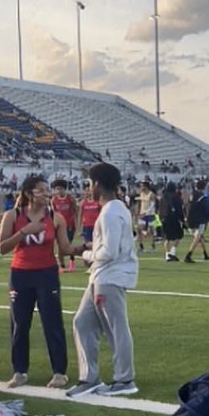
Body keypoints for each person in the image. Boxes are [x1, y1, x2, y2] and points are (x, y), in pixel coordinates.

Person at [65, 162, 139, 398]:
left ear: (97, 183)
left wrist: (86, 254)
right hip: (101, 275)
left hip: (109, 276)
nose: (89, 188)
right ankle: (89, 378)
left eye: (89, 183)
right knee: (82, 322)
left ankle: (125, 379)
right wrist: (90, 246)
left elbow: (110, 252)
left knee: (116, 328)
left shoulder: (110, 212)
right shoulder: (115, 209)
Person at [0, 174, 72, 389]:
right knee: (20, 324)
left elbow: (65, 248)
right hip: (20, 274)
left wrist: (86, 249)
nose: (47, 193)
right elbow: (2, 248)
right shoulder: (13, 215)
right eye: (41, 190)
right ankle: (20, 371)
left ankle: (59, 372)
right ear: (30, 193)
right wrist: (24, 232)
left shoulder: (55, 217)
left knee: (52, 323)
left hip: (47, 274)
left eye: (47, 189)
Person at [50, 179, 79, 271]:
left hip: (70, 225)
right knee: (59, 246)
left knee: (68, 245)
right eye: (57, 189)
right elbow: (53, 213)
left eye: (61, 189)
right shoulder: (53, 200)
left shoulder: (70, 198)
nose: (59, 191)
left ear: (64, 189)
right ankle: (61, 265)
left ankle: (72, 262)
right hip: (59, 227)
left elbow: (76, 211)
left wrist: (75, 222)